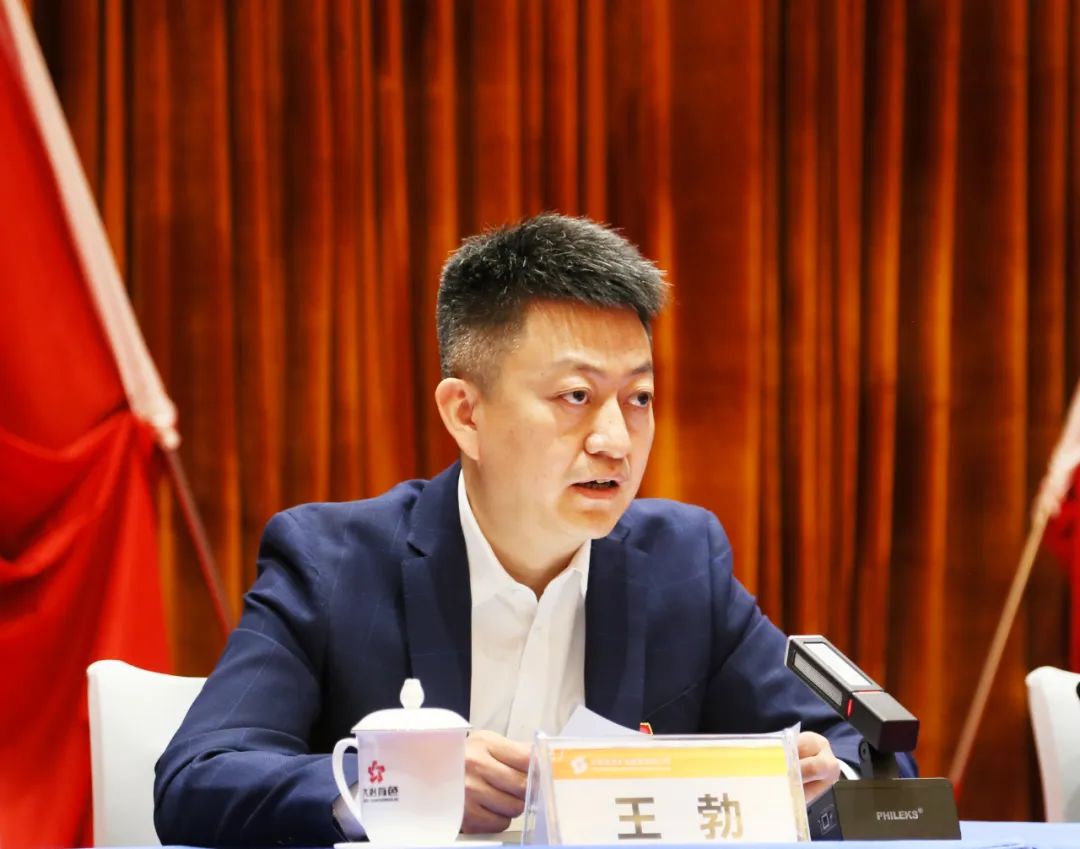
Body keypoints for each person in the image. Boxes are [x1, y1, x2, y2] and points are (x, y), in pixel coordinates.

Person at [155, 214, 913, 846]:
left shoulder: (682, 564)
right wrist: (398, 785)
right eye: (576, 396)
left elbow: (879, 771)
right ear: (465, 413)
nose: (615, 440)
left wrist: (822, 783)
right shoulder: (332, 563)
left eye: (639, 398)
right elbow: (196, 777)